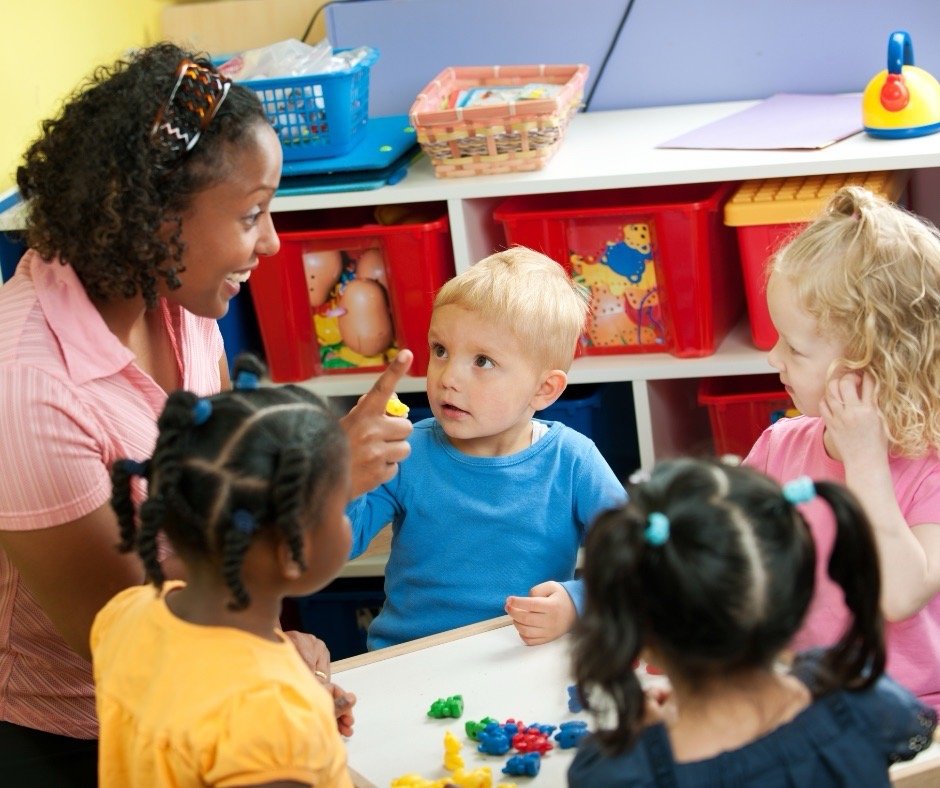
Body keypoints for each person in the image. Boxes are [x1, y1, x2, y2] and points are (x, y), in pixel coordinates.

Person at [0, 42, 411, 783]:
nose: (274, 242)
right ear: (155, 218)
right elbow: (133, 631)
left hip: (200, 688)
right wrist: (320, 485)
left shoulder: (182, 296)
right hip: (81, 734)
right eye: (253, 213)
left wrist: (273, 655)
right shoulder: (24, 390)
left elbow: (215, 502)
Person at [568, 458, 938, 786]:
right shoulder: (859, 698)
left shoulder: (620, 772)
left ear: (640, 641)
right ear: (795, 596)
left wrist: (646, 742)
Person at [93, 356, 355, 787]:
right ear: (293, 548)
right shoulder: (267, 717)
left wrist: (301, 721)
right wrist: (288, 731)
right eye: (343, 504)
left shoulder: (128, 611)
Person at [347, 247, 627, 650]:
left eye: (482, 361)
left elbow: (637, 562)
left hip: (520, 658)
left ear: (544, 389)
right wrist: (345, 469)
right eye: (440, 351)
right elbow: (340, 542)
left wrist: (577, 604)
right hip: (411, 658)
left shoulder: (573, 461)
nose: (448, 378)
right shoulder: (406, 450)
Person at [744, 185, 940, 710]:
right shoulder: (779, 447)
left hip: (915, 712)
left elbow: (899, 596)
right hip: (807, 697)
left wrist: (865, 458)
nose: (772, 357)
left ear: (873, 367)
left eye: (795, 348)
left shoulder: (932, 473)